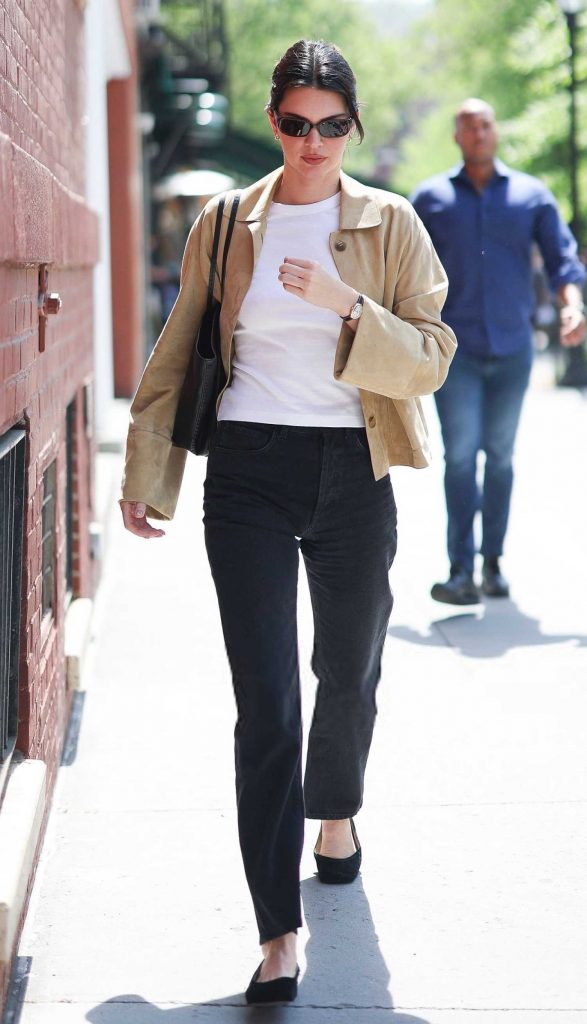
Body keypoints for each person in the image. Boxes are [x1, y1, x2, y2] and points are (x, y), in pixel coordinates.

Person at [119, 40, 456, 1004]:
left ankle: (335, 812)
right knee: (266, 702)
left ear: (352, 126)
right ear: (274, 122)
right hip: (248, 475)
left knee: (346, 672)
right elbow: (178, 350)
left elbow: (431, 355)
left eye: (332, 125)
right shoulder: (228, 221)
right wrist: (148, 473)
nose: (314, 142)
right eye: (298, 124)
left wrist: (349, 306)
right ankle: (277, 931)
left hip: (354, 468)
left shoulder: (389, 222)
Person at [411, 98, 586, 605]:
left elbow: (563, 259)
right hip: (455, 351)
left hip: (513, 348)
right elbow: (401, 264)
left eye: (485, 124)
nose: (479, 133)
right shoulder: (430, 198)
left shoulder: (531, 195)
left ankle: (493, 563)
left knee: (502, 457)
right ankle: (460, 570)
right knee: (461, 458)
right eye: (469, 127)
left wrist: (572, 307)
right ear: (457, 136)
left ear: (496, 131)